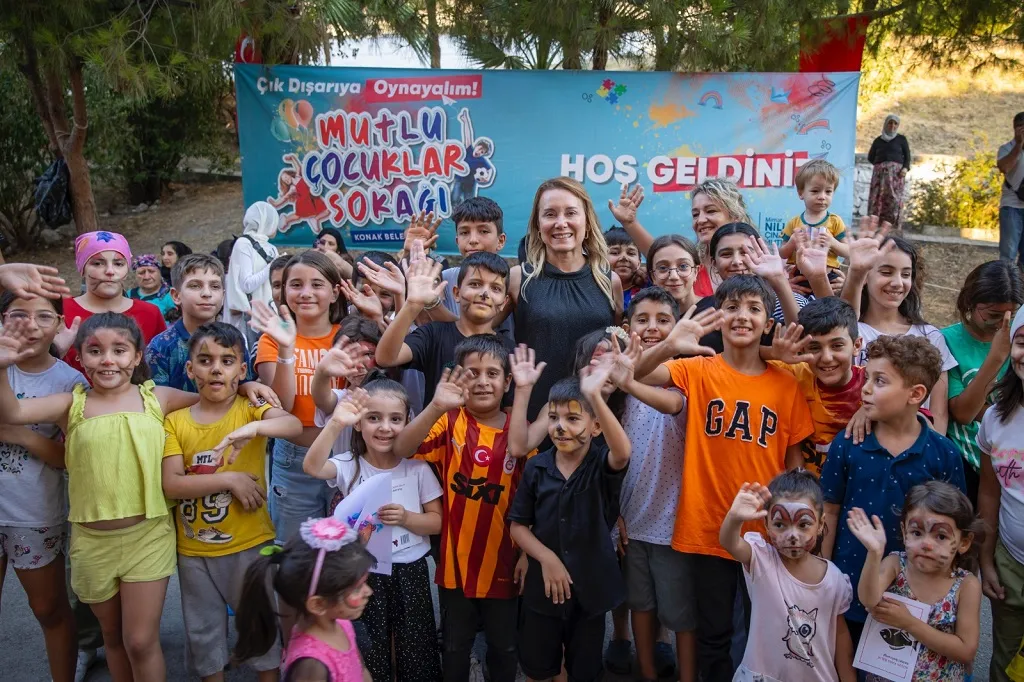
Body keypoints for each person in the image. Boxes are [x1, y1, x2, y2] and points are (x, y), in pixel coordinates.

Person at [632, 275, 814, 681]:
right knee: (712, 633)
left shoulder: (785, 383)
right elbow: (638, 374)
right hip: (707, 527)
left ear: (769, 322)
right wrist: (668, 345)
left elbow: (795, 465)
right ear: (718, 318)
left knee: (764, 631)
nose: (742, 317)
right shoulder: (697, 369)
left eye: (754, 309)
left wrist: (797, 526)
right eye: (732, 308)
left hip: (766, 535)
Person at [0, 313, 199, 682]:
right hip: (91, 543)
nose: (108, 359)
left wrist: (248, 389)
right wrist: (2, 366)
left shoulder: (158, 397)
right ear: (81, 357)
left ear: (137, 356)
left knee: (140, 640)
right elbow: (11, 411)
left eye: (119, 350)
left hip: (147, 537)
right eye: (95, 351)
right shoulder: (69, 404)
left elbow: (213, 399)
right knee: (113, 638)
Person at [161, 322, 302, 682]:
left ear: (242, 370)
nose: (216, 369)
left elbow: (293, 426)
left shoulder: (248, 410)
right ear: (191, 370)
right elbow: (171, 484)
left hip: (250, 543)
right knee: (203, 631)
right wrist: (228, 479)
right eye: (205, 361)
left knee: (257, 621)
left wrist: (255, 428)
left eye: (227, 361)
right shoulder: (174, 422)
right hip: (192, 548)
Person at [391, 335, 527, 682]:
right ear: (458, 379)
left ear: (508, 381)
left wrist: (528, 553)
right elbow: (404, 448)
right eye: (473, 373)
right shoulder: (451, 422)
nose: (483, 381)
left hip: (504, 559)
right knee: (454, 645)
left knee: (504, 646)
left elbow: (535, 498)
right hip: (456, 563)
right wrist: (436, 405)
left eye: (493, 373)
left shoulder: (520, 434)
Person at [820, 335, 967, 650]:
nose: (866, 388)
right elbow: (830, 510)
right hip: (849, 583)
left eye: (880, 381)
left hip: (915, 601)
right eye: (867, 377)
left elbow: (955, 528)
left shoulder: (944, 454)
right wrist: (823, 574)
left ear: (916, 394)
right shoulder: (847, 444)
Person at [302, 377, 443, 682]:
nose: (385, 427)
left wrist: (406, 517)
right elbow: (312, 467)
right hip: (364, 574)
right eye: (373, 418)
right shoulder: (349, 465)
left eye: (395, 419)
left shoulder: (417, 467)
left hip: (411, 570)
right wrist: (335, 423)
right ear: (358, 423)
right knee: (370, 647)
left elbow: (437, 521)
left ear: (409, 421)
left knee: (416, 647)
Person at [508, 367, 632, 682]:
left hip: (589, 596)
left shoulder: (602, 465)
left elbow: (623, 452)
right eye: (554, 417)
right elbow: (518, 526)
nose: (560, 427)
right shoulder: (537, 468)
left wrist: (594, 395)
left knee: (585, 670)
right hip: (541, 595)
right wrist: (546, 558)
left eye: (573, 419)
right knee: (538, 668)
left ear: (595, 427)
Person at [608, 287, 696, 682]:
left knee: (680, 613)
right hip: (631, 521)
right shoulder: (615, 391)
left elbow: (673, 404)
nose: (653, 328)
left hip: (674, 524)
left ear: (678, 329)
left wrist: (628, 380)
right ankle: (645, 672)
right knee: (639, 603)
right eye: (642, 320)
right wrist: (616, 515)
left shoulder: (688, 377)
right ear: (628, 328)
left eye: (664, 320)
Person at [0, 292, 84, 682]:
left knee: (48, 608)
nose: (30, 325)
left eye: (43, 316)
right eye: (18, 315)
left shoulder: (71, 382)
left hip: (34, 515)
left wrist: (21, 436)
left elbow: (74, 458)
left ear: (58, 325)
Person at [720, 471, 855, 681]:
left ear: (820, 524)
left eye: (803, 525)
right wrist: (734, 518)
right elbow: (730, 543)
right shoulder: (761, 560)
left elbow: (840, 636)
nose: (792, 535)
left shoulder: (834, 580)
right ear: (766, 525)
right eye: (780, 524)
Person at [508, 177, 623, 421]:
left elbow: (616, 340)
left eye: (571, 213)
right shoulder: (519, 278)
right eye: (550, 214)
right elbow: (476, 328)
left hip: (595, 417)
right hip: (533, 417)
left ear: (587, 222)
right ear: (538, 225)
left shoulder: (610, 281)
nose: (561, 223)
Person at [251, 250, 345, 548]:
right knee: (295, 558)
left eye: (317, 284)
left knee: (345, 558)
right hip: (294, 462)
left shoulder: (349, 336)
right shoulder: (271, 338)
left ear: (335, 292)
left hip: (344, 457)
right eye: (296, 284)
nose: (306, 293)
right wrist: (286, 349)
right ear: (283, 291)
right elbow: (283, 406)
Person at [849, 481, 982, 682]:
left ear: (964, 542)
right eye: (917, 533)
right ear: (904, 532)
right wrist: (874, 553)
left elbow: (965, 650)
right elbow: (868, 599)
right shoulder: (895, 563)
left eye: (941, 536)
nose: (927, 544)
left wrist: (909, 623)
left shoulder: (966, 585)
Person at [842, 223, 956, 434]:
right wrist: (855, 273)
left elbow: (939, 413)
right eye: (886, 272)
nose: (897, 283)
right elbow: (845, 318)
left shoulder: (931, 336)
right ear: (866, 276)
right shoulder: (852, 335)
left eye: (905, 274)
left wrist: (931, 455)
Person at [233, 517, 377, 681]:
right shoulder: (311, 666)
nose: (369, 591)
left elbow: (361, 669)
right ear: (318, 604)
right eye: (357, 588)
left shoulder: (341, 623)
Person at [375, 251, 515, 406]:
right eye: (475, 284)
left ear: (503, 302)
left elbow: (509, 411)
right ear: (456, 293)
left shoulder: (509, 350)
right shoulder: (433, 333)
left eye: (495, 288)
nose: (484, 293)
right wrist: (413, 303)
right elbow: (386, 358)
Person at [942, 260, 1023, 504]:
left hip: (1011, 459)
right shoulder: (945, 340)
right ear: (970, 303)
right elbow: (964, 413)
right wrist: (996, 357)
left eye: (1013, 314)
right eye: (994, 315)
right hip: (965, 465)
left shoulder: (1019, 343)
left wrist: (984, 409)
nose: (1003, 324)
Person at [767, 297, 866, 476]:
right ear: (802, 350)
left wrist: (874, 407)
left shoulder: (874, 383)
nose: (826, 357)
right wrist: (775, 354)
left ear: (857, 345)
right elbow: (744, 361)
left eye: (837, 346)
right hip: (804, 494)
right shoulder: (794, 373)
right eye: (815, 347)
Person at [977, 306, 1024, 682]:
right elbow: (989, 495)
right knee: (1006, 662)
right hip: (1012, 564)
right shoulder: (996, 417)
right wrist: (987, 560)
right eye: (1022, 343)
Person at [693, 224, 815, 354]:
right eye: (726, 254)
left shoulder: (789, 301)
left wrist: (779, 279)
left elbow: (802, 344)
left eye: (746, 252)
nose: (737, 261)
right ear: (713, 263)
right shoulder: (702, 310)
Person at [146, 254, 261, 392]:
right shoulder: (161, 347)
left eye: (215, 286)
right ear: (176, 296)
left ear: (223, 296)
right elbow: (156, 399)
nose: (207, 293)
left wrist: (248, 387)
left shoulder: (234, 339)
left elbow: (243, 385)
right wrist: (208, 402)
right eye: (195, 286)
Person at [62, 231, 166, 375]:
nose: (110, 271)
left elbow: (162, 366)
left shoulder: (150, 313)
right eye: (98, 263)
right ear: (82, 269)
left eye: (118, 263)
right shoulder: (60, 311)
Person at [779, 159, 849, 287]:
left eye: (828, 191)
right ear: (801, 193)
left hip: (829, 277)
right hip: (800, 277)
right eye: (815, 191)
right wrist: (792, 242)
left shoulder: (835, 221)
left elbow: (848, 252)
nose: (822, 196)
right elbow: (782, 254)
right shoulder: (794, 223)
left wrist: (832, 242)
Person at [225, 202, 280, 344]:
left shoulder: (271, 248)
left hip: (270, 313)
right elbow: (247, 285)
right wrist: (271, 267)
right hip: (250, 317)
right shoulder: (243, 244)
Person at [866, 114, 912, 230]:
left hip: (896, 175)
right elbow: (871, 157)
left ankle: (893, 225)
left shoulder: (901, 139)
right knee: (877, 198)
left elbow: (907, 157)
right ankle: (875, 225)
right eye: (890, 123)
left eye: (895, 123)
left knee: (894, 198)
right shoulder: (878, 140)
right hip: (879, 175)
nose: (892, 125)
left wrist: (905, 168)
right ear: (886, 124)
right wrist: (881, 167)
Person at [645, 235, 700, 314]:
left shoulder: (716, 309)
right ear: (653, 276)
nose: (674, 276)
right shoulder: (644, 318)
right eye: (663, 268)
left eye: (683, 266)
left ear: (696, 272)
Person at [997, 112, 1024, 267]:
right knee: (1008, 254)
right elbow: (1005, 167)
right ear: (1014, 128)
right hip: (1011, 206)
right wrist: (1019, 145)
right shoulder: (1006, 148)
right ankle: (1006, 287)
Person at [605, 227, 646, 308]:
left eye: (631, 253)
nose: (624, 257)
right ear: (601, 258)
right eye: (615, 252)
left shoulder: (649, 287)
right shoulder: (592, 290)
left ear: (639, 262)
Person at [127, 255, 176, 320]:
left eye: (151, 271)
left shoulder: (171, 294)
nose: (147, 277)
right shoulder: (128, 294)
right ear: (135, 276)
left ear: (160, 273)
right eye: (141, 273)